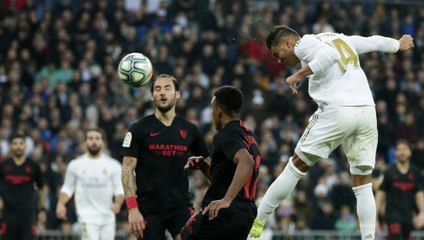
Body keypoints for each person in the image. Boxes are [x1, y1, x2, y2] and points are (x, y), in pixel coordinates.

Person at [249, 25, 415, 240]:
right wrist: (396, 45)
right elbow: (370, 41)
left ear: (287, 43)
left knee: (294, 168)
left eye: (277, 54)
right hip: (366, 110)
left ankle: (255, 229)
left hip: (338, 109)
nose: (279, 60)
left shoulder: (303, 44)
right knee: (363, 182)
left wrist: (297, 75)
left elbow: (330, 55)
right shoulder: (338, 38)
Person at [120, 74, 210, 240]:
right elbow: (127, 169)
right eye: (157, 89)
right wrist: (132, 209)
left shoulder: (190, 130)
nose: (162, 93)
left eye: (167, 88)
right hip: (148, 210)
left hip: (180, 207)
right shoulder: (138, 128)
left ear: (177, 94)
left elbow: (208, 166)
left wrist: (225, 197)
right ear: (152, 95)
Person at [180, 85, 262, 239]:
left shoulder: (225, 135)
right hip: (246, 214)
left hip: (223, 213)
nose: (211, 114)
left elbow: (247, 162)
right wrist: (204, 166)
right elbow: (227, 179)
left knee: (185, 235)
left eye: (212, 109)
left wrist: (226, 200)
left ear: (218, 110)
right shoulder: (248, 136)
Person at [56, 128, 124, 240]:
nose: (94, 141)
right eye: (90, 138)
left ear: (102, 142)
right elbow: (67, 188)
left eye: (97, 138)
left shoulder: (114, 165)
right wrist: (60, 204)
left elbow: (119, 190)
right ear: (85, 142)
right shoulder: (75, 165)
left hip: (108, 217)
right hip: (86, 217)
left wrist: (117, 203)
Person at [376, 139, 424, 240]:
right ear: (395, 153)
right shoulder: (389, 172)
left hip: (408, 216)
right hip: (392, 215)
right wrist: (375, 218)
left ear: (410, 152)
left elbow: (419, 195)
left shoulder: (415, 173)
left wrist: (422, 213)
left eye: (405, 149)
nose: (402, 152)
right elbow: (380, 195)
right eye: (399, 149)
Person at [0, 133, 45, 240]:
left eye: (21, 143)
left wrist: (42, 209)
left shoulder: (33, 166)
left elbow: (41, 188)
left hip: (28, 214)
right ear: (11, 146)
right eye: (15, 143)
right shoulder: (3, 166)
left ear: (25, 146)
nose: (18, 146)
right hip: (8, 214)